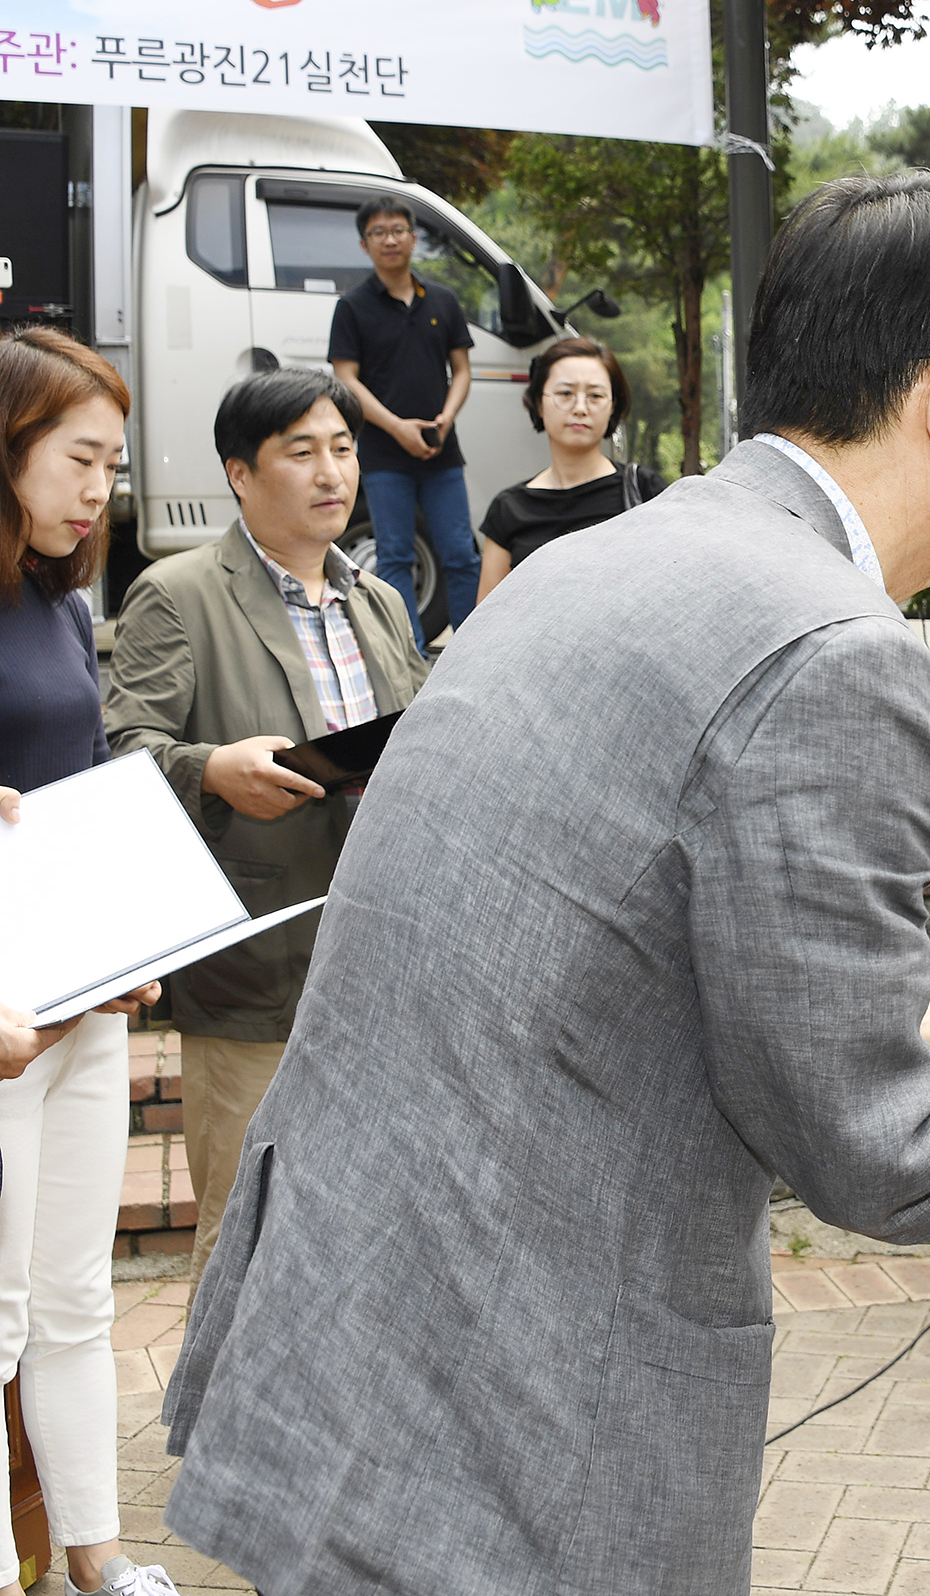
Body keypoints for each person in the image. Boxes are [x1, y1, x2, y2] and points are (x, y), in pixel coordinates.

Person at [156, 171, 930, 1595]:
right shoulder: (837, 654)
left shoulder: (611, 556)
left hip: (358, 1351)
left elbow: (584, 956)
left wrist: (921, 1025)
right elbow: (878, 1153)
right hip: (518, 1439)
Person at [104, 368, 430, 1286]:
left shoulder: (380, 602)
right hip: (257, 969)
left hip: (377, 960)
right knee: (244, 1234)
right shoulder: (179, 594)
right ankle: (215, 1430)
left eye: (342, 449)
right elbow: (124, 751)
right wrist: (211, 769)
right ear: (240, 473)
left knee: (368, 1224)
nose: (332, 473)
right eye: (302, 452)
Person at [0, 325, 173, 1596]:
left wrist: (135, 926)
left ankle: (97, 1555)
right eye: (79, 459)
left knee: (73, 1297)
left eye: (112, 464)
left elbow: (74, 783)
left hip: (79, 980)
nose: (98, 488)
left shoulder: (64, 601)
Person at [327, 193, 482, 652]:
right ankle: (410, 654)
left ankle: (472, 647)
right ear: (364, 244)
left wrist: (447, 418)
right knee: (394, 555)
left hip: (441, 450)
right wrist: (395, 426)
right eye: (378, 233)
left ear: (413, 239)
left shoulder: (442, 300)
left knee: (460, 554)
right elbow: (345, 378)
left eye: (398, 231)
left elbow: (463, 370)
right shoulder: (353, 307)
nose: (390, 240)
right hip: (383, 454)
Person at [475, 337, 665, 602]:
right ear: (539, 404)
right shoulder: (509, 509)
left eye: (595, 396)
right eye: (565, 394)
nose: (580, 408)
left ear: (613, 407)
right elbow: (487, 621)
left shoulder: (646, 491)